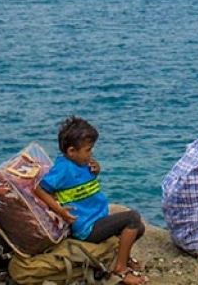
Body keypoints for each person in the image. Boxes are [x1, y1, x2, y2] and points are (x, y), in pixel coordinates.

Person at [35, 117, 147, 285]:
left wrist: (96, 171)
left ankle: (123, 257)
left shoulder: (82, 163)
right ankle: (120, 269)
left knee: (139, 228)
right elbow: (40, 189)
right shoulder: (63, 168)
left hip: (98, 217)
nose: (91, 153)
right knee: (132, 218)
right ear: (71, 151)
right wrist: (60, 211)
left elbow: (81, 184)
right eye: (88, 150)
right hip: (87, 227)